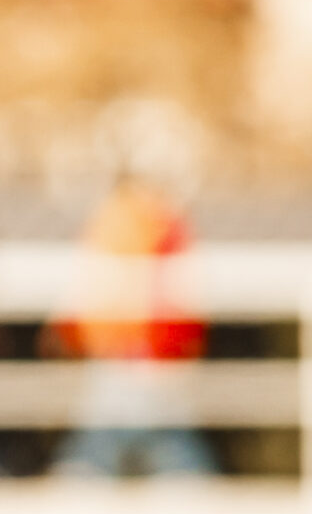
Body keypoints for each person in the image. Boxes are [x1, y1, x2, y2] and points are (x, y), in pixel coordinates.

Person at [48, 172, 215, 480]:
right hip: (137, 365)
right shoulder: (159, 225)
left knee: (106, 452)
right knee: (162, 453)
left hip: (129, 364)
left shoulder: (116, 224)